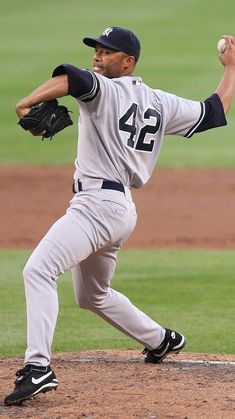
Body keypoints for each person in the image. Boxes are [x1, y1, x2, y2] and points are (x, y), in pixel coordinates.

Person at [4, 27, 235, 406]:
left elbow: (72, 78)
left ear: (128, 62)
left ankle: (37, 367)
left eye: (107, 51)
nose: (97, 55)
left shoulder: (103, 89)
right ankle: (161, 339)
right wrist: (231, 69)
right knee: (92, 294)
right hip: (120, 210)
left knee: (38, 271)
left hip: (95, 208)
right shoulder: (160, 102)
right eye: (96, 48)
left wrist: (25, 103)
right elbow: (213, 112)